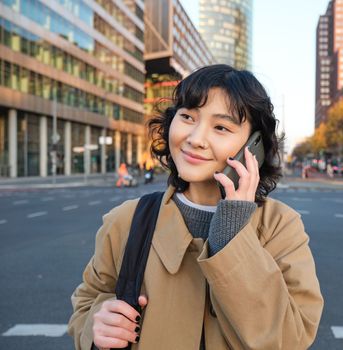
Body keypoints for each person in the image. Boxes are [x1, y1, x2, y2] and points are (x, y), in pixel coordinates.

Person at [67, 64, 324, 349]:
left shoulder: (279, 226)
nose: (196, 139)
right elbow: (86, 303)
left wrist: (232, 233)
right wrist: (96, 324)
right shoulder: (127, 220)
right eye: (187, 116)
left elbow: (290, 338)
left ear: (254, 146)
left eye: (221, 127)